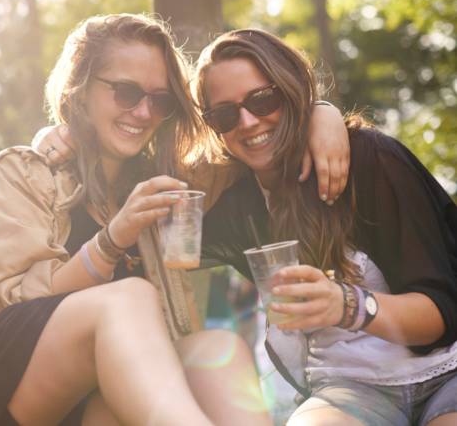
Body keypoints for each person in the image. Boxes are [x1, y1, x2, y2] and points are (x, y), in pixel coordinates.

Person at [0, 14, 277, 426]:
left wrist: (322, 116)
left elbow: (249, 147)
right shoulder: (22, 173)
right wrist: (112, 240)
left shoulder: (163, 186)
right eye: (127, 92)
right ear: (81, 90)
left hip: (94, 395)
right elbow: (8, 303)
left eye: (160, 100)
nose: (144, 112)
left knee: (219, 348)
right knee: (129, 297)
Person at [194, 29, 457, 426]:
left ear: (291, 90)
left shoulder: (370, 158)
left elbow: (443, 314)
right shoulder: (240, 205)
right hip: (351, 387)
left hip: (447, 370)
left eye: (263, 99)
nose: (247, 122)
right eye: (225, 114)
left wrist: (345, 304)